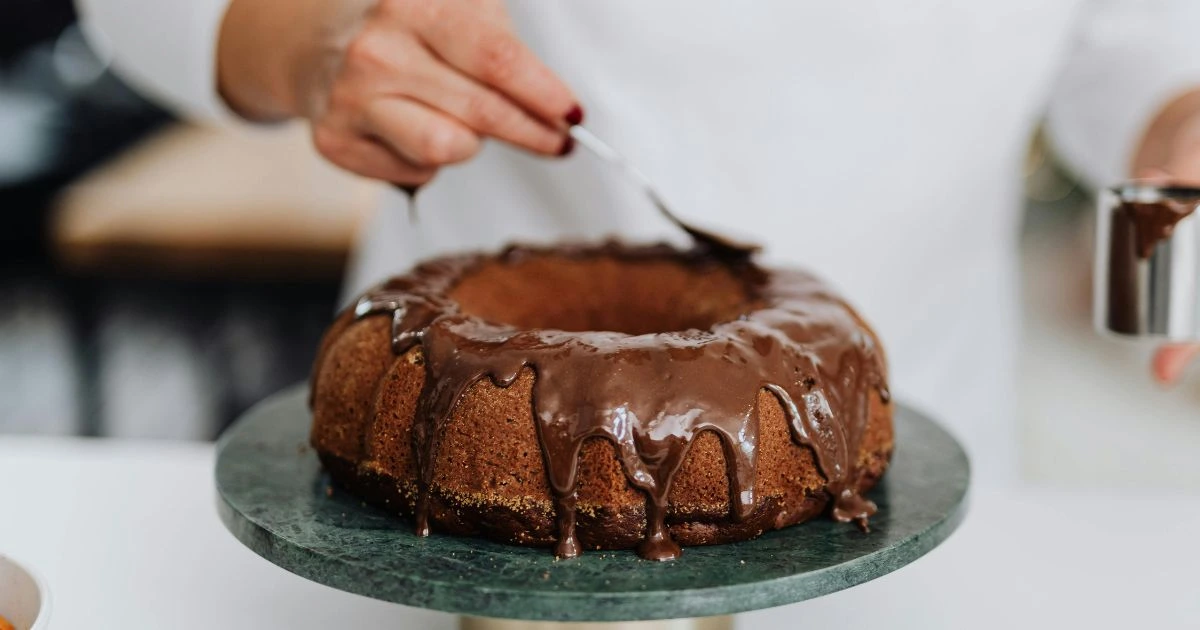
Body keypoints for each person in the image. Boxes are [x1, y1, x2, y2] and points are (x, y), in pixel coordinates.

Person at [72, 0, 1200, 486]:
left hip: (919, 422)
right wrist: (317, 38)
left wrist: (1177, 113)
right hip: (469, 419)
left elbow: (1134, 37)